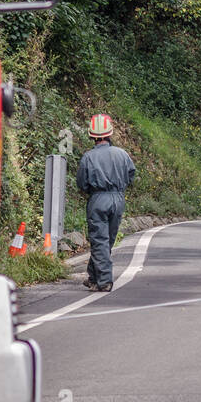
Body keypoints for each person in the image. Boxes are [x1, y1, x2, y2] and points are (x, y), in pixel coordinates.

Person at [77, 113, 136, 292]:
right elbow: (131, 175)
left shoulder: (88, 157)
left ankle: (104, 280)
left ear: (92, 135)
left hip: (98, 199)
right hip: (118, 198)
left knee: (99, 240)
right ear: (110, 133)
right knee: (107, 240)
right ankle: (93, 276)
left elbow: (82, 183)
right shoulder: (122, 154)